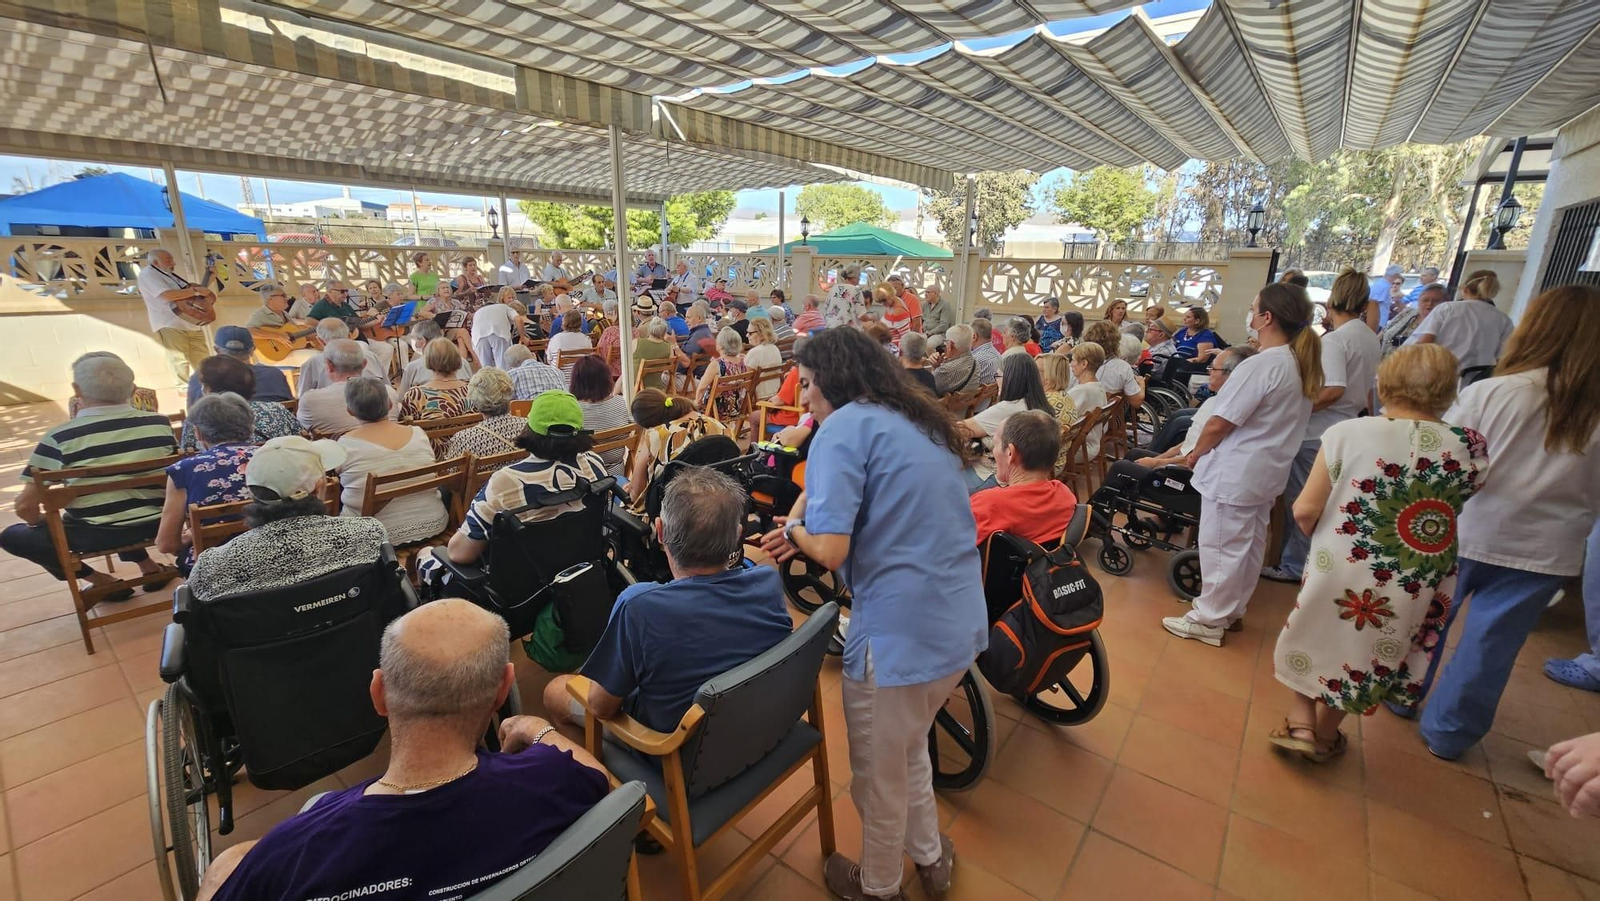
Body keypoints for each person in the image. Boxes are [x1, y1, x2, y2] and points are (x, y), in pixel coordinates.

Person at [758, 327, 984, 901]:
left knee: (877, 780)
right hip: (956, 624)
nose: (803, 397)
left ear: (831, 380)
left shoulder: (843, 431)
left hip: (900, 636)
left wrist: (799, 533)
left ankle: (879, 887)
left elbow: (831, 552)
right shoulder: (912, 419)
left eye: (807, 384)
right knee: (908, 750)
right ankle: (931, 860)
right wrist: (799, 521)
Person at [194, 599, 608, 901]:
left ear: (379, 694)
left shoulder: (296, 851)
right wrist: (534, 726)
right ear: (504, 688)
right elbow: (602, 780)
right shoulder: (551, 779)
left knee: (227, 865)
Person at [1266, 343, 1483, 763]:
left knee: (1314, 630)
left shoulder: (1348, 432)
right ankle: (1328, 734)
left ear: (1384, 382)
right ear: (1448, 391)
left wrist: (1328, 538)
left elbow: (1306, 508)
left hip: (1342, 558)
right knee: (1372, 648)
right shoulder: (1468, 446)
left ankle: (1301, 721)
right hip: (1414, 570)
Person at [1411, 286, 1600, 759]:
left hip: (1468, 529)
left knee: (1426, 623)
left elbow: (1443, 460)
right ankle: (1450, 733)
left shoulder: (1492, 393)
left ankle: (1402, 694)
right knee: (1492, 646)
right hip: (1546, 549)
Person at [547, 465, 794, 733]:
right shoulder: (767, 583)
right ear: (737, 535)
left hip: (671, 754)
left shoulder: (639, 607)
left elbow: (600, 707)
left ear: (660, 531)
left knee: (555, 691)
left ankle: (599, 771)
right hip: (756, 730)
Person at [1162, 284, 1322, 647]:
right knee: (1247, 545)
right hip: (1264, 471)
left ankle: (1209, 618)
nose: (1250, 318)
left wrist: (1196, 452)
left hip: (1237, 471)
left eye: (1253, 310)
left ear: (1267, 318)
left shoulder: (1264, 364)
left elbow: (1221, 421)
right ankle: (1231, 610)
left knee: (1221, 546)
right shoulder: (1296, 363)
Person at [1, 353, 177, 596]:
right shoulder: (159, 425)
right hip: (161, 525)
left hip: (92, 536)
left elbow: (25, 506)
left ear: (77, 391)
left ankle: (98, 580)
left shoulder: (59, 439)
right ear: (133, 389)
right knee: (126, 497)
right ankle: (148, 566)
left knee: (13, 536)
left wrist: (40, 523)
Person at [420, 391, 609, 591]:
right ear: (579, 431)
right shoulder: (594, 464)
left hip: (520, 594)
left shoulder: (506, 482)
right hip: (577, 577)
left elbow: (460, 554)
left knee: (428, 555)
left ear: (530, 429)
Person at [1264, 269, 1381, 584]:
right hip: (1345, 426)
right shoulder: (1369, 336)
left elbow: (1333, 389)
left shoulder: (1337, 341)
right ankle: (1297, 560)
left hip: (1319, 431)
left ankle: (1291, 564)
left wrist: (1294, 409)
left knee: (1299, 501)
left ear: (1333, 299)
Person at [181, 435, 387, 601]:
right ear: (318, 488)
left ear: (253, 493)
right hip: (357, 646)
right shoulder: (369, 533)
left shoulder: (213, 566)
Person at [338, 378, 449, 544]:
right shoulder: (418, 434)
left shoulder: (345, 444)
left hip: (373, 535)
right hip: (433, 523)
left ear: (350, 411)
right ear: (390, 405)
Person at [156, 393, 256, 574]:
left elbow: (166, 543)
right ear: (249, 426)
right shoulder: (272, 454)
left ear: (198, 433)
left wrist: (192, 536)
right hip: (277, 550)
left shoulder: (184, 470)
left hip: (216, 567)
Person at [971, 410, 1077, 547]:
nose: (994, 451)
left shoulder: (987, 505)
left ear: (1010, 453)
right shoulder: (1065, 496)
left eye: (995, 444)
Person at [958, 352, 1053, 492]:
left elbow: (960, 429)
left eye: (998, 376)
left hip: (993, 477)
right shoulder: (1042, 406)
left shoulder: (1009, 407)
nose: (996, 381)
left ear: (1010, 380)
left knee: (942, 484)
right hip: (1030, 477)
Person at [626, 388, 727, 509]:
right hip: (721, 510)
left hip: (673, 517)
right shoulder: (719, 426)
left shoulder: (656, 435)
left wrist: (630, 488)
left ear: (649, 425)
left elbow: (635, 495)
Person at [179, 355, 305, 453]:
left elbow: (187, 455)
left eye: (204, 385)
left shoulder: (196, 420)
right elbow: (303, 440)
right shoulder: (276, 410)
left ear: (209, 389)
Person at [1407, 269, 1512, 372]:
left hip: (1438, 376)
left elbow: (1424, 343)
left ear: (1465, 290)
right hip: (1474, 382)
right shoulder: (1504, 320)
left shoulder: (1447, 309)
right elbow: (1503, 357)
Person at [138, 248, 215, 383]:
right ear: (155, 262)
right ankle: (184, 391)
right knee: (179, 360)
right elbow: (168, 295)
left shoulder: (170, 275)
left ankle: (207, 386)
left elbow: (190, 293)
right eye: (169, 260)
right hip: (169, 322)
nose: (173, 263)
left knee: (203, 359)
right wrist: (196, 291)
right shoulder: (148, 274)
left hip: (191, 321)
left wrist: (209, 278)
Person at [297, 341, 399, 437]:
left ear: (329, 366)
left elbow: (302, 431)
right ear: (364, 364)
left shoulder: (309, 400)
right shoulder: (388, 392)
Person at [188, 326, 293, 405]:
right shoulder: (274, 374)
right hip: (276, 433)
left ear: (217, 350)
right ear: (252, 350)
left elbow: (192, 419)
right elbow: (290, 409)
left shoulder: (201, 376)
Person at [444, 367, 527, 459]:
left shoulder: (463, 440)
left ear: (474, 399)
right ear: (509, 391)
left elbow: (454, 471)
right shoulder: (530, 428)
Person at [569, 355, 632, 474]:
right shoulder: (619, 402)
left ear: (576, 382)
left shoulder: (573, 409)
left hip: (584, 475)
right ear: (606, 378)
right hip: (617, 474)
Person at [298, 319, 387, 393]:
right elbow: (386, 388)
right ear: (349, 336)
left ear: (320, 340)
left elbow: (303, 397)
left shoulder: (312, 363)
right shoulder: (371, 356)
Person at [400, 339, 470, 422]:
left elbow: (404, 425)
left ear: (428, 360)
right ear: (457, 359)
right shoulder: (474, 390)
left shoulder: (415, 395)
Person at [1084, 320, 1145, 409]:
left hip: (1079, 417)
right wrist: (1142, 384)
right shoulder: (1123, 367)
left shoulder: (1078, 364)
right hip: (1105, 417)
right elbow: (1136, 402)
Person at [398, 320, 471, 394]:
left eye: (413, 337)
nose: (413, 341)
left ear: (422, 341)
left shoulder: (413, 367)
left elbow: (402, 398)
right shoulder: (463, 362)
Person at [1066, 343, 1110, 459]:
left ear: (1084, 364)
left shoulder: (1082, 391)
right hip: (1091, 444)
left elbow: (1061, 419)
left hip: (1080, 449)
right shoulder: (1098, 387)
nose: (1071, 364)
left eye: (1074, 360)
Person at [696, 327, 750, 422]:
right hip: (738, 406)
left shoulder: (717, 364)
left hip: (719, 408)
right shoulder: (743, 361)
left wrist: (697, 403)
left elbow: (701, 389)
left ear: (720, 346)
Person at [1035, 352, 1077, 474]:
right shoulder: (1065, 396)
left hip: (1044, 465)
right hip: (1058, 460)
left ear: (1048, 376)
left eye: (1036, 370)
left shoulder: (1046, 403)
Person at [1378, 283, 1445, 357]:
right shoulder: (1408, 312)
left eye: (1436, 301)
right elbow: (1383, 333)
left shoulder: (1441, 324)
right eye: (1425, 300)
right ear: (1419, 300)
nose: (1429, 304)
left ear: (1445, 303)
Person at [470, 289, 522, 370]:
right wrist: (522, 337)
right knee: (503, 366)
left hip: (478, 336)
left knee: (485, 369)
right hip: (498, 332)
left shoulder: (478, 312)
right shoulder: (504, 307)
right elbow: (519, 319)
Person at [932, 324, 978, 397]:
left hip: (944, 407)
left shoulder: (946, 370)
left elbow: (926, 389)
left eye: (945, 341)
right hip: (966, 407)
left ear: (950, 345)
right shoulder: (975, 362)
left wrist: (934, 367)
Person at [745, 317, 785, 395]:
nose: (747, 335)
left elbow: (746, 380)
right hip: (774, 393)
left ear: (762, 334)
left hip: (756, 397)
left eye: (750, 333)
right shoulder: (775, 349)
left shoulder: (755, 352)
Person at [823, 264, 868, 329]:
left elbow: (826, 308)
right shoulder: (856, 291)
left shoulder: (833, 288)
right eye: (859, 276)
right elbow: (861, 316)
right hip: (847, 331)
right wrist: (872, 317)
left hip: (831, 328)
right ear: (854, 277)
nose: (860, 279)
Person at [969, 319, 1001, 386]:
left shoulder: (975, 360)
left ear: (974, 336)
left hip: (974, 395)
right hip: (991, 395)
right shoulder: (998, 355)